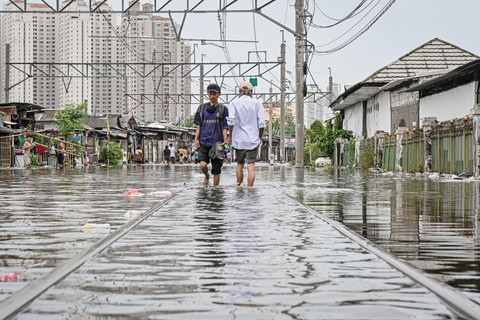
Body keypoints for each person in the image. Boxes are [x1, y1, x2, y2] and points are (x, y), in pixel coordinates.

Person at [227, 81, 266, 186]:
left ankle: (239, 187)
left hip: (239, 140)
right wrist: (259, 136)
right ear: (251, 92)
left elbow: (231, 122)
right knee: (251, 166)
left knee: (239, 164)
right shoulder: (257, 103)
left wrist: (230, 136)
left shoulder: (233, 103)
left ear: (239, 91)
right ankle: (250, 189)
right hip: (253, 139)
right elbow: (262, 124)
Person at [194, 83, 229, 186]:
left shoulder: (223, 109)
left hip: (217, 143)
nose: (212, 96)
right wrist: (196, 139)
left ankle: (216, 191)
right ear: (208, 94)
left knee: (216, 170)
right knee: (203, 165)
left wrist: (225, 140)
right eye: (210, 94)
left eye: (215, 94)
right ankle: (206, 175)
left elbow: (224, 127)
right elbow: (198, 125)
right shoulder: (201, 108)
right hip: (204, 141)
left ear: (219, 94)